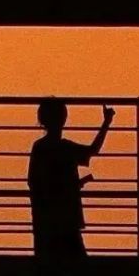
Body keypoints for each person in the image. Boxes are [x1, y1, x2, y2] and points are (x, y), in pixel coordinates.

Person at [27, 98, 115, 259]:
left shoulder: (39, 148)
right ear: (64, 119)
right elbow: (93, 150)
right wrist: (107, 122)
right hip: (66, 220)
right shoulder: (66, 148)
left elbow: (33, 182)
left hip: (44, 221)